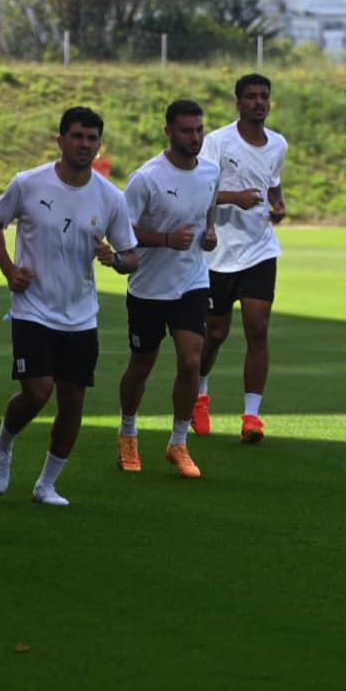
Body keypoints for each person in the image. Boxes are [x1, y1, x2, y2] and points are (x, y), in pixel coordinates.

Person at [0, 106, 138, 506]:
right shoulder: (28, 183)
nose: (84, 144)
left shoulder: (110, 196)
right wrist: (9, 270)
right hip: (32, 308)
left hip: (80, 315)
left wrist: (115, 260)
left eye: (91, 138)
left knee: (73, 401)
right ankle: (4, 442)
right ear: (60, 140)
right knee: (38, 392)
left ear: (99, 145)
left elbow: (132, 256)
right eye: (77, 136)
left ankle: (47, 484)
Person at [116, 99, 219, 479]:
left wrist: (210, 232)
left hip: (192, 281)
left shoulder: (211, 171)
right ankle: (128, 431)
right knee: (142, 363)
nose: (195, 137)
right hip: (148, 286)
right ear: (169, 132)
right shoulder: (146, 178)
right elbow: (122, 230)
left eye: (199, 130)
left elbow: (209, 207)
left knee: (191, 360)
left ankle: (178, 441)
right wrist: (165, 239)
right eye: (187, 131)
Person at [197, 73, 288, 444]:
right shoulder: (217, 142)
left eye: (264, 96)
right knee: (215, 333)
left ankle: (252, 416)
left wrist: (279, 205)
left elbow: (273, 183)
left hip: (260, 249)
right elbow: (199, 189)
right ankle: (200, 393)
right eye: (251, 96)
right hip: (218, 253)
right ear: (238, 102)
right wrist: (234, 199)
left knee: (258, 327)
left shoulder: (278, 144)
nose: (258, 102)